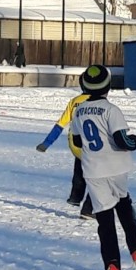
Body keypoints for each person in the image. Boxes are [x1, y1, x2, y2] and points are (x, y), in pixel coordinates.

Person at [70, 65, 136, 270]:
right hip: (116, 168)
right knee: (124, 207)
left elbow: (77, 141)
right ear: (108, 86)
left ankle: (112, 265)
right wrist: (134, 141)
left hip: (93, 172)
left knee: (105, 221)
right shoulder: (112, 110)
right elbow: (122, 140)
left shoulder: (78, 111)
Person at [36, 73, 94, 220]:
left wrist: (47, 143)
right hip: (93, 148)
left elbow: (60, 125)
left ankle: (75, 197)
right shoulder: (99, 103)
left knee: (80, 170)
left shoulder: (74, 101)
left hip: (76, 146)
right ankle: (88, 209)